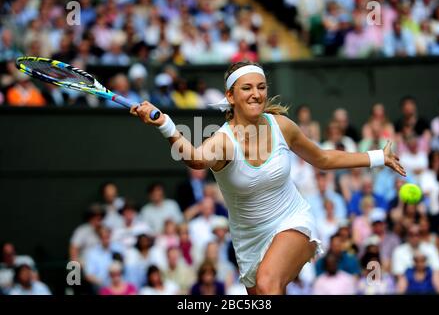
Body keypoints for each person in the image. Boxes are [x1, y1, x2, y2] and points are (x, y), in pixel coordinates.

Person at [131, 61, 406, 295]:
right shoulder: (223, 141)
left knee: (267, 283)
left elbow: (323, 158)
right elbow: (194, 158)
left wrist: (379, 157)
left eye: (261, 87)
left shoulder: (282, 127)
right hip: (249, 241)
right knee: (265, 291)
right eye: (247, 88)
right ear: (230, 96)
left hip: (293, 220)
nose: (256, 94)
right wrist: (166, 125)